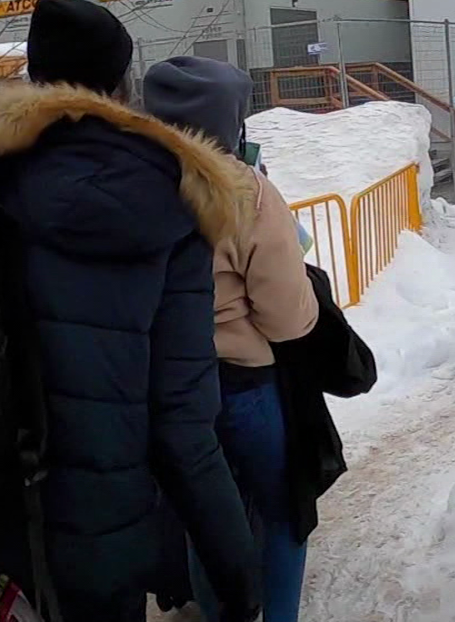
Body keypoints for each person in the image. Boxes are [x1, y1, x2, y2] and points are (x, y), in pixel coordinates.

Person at [0, 0, 260, 622]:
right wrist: (237, 570)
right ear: (120, 85)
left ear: (35, 78)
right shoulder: (170, 199)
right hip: (105, 537)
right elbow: (183, 425)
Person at [142, 56, 319, 622]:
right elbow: (286, 315)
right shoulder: (248, 192)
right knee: (283, 510)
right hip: (245, 388)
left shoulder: (131, 186)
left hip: (166, 390)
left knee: (205, 515)